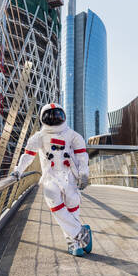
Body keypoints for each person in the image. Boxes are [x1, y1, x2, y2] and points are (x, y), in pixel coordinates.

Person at [11, 103, 92, 256]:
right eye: (50, 116)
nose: (54, 119)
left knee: (72, 202)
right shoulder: (39, 137)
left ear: (63, 116)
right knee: (53, 202)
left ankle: (74, 242)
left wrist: (83, 174)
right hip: (50, 176)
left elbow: (82, 157)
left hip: (69, 175)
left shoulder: (73, 135)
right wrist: (18, 170)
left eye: (57, 115)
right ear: (43, 118)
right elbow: (28, 155)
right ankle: (81, 233)